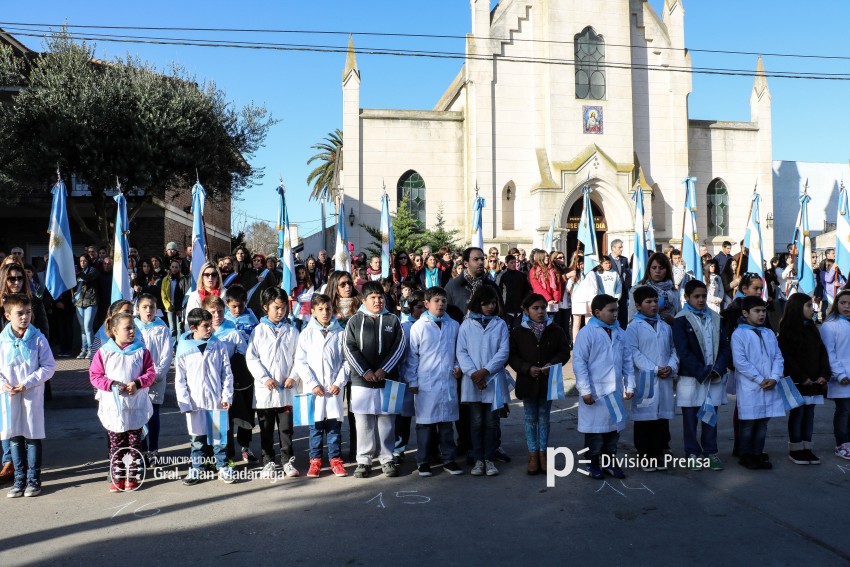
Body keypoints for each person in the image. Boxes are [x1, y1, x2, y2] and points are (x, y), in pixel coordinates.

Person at [342, 280, 406, 479]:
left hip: (390, 380)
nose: (378, 301)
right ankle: (364, 460)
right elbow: (349, 348)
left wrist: (384, 369)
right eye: (373, 297)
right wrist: (365, 371)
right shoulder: (354, 321)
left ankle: (387, 458)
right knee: (364, 422)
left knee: (388, 421)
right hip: (362, 382)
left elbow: (400, 347)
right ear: (363, 300)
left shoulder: (393, 320)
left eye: (380, 297)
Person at [89, 310, 156, 492]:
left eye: (133, 327)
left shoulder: (142, 351)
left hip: (135, 405)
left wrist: (137, 383)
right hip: (114, 407)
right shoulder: (104, 352)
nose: (132, 331)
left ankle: (132, 476)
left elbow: (150, 373)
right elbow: (95, 376)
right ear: (115, 331)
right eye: (128, 328)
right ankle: (117, 476)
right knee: (116, 443)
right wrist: (111, 385)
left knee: (134, 443)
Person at [672, 280, 732, 471]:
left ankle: (710, 452)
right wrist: (702, 371)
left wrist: (718, 369)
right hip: (691, 378)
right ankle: (692, 452)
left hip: (713, 376)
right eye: (696, 296)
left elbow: (724, 347)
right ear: (686, 297)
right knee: (690, 420)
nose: (700, 300)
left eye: (704, 296)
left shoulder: (716, 317)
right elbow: (683, 351)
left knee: (710, 418)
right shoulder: (681, 319)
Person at [0, 294, 55, 497]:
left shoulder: (38, 338)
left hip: (31, 396)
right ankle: (19, 479)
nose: (25, 317)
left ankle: (33, 480)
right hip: (9, 397)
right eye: (19, 313)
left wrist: (27, 383)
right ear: (7, 315)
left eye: (28, 312)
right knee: (14, 438)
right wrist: (3, 384)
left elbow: (49, 366)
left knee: (32, 438)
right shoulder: (2, 341)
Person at [509, 293, 571, 475]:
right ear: (526, 310)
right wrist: (527, 368)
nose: (540, 311)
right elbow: (512, 356)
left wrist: (552, 364)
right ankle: (532, 454)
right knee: (530, 418)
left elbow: (564, 352)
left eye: (543, 307)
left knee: (544, 417)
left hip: (547, 382)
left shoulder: (556, 330)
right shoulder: (518, 332)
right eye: (535, 308)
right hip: (527, 382)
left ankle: (543, 453)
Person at [573, 294, 633, 479]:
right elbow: (579, 363)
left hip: (614, 392)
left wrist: (630, 385)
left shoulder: (620, 333)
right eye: (611, 310)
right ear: (597, 312)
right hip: (595, 393)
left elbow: (627, 360)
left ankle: (609, 463)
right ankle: (592, 464)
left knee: (613, 432)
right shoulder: (587, 333)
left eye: (616, 310)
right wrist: (585, 390)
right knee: (595, 434)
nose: (615, 314)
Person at [407, 286, 464, 477]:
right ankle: (423, 461)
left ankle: (449, 459)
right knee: (425, 426)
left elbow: (458, 352)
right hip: (426, 383)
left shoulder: (453, 325)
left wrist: (457, 366)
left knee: (447, 425)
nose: (440, 304)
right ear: (426, 304)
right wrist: (412, 381)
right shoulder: (419, 327)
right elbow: (412, 356)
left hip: (447, 381)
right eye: (436, 301)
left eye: (443, 301)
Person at [246, 287, 301, 478]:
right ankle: (268, 462)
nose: (280, 311)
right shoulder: (258, 331)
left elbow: (299, 357)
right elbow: (251, 358)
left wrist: (293, 376)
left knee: (286, 429)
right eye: (276, 307)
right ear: (265, 307)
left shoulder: (292, 331)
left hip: (286, 388)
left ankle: (288, 461)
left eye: (283, 307)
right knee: (266, 429)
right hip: (266, 391)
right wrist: (264, 378)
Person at [175, 308, 235, 485]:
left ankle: (223, 467)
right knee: (197, 440)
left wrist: (227, 396)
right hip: (195, 403)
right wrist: (184, 402)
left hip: (216, 400)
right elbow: (180, 379)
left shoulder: (218, 345)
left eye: (210, 325)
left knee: (219, 438)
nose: (210, 329)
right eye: (205, 326)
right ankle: (197, 468)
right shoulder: (184, 348)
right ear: (193, 328)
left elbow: (227, 373)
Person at [457, 285, 510, 477]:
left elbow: (503, 352)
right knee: (476, 422)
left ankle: (489, 458)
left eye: (493, 303)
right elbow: (461, 351)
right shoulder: (467, 325)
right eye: (486, 303)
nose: (490, 307)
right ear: (478, 304)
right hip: (473, 381)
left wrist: (486, 371)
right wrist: (474, 374)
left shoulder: (500, 324)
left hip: (492, 379)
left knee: (491, 422)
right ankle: (478, 459)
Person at [296, 294, 349, 478]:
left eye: (328, 309)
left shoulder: (340, 333)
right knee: (316, 428)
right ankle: (315, 461)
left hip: (333, 389)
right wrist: (312, 384)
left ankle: (335, 460)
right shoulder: (306, 334)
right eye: (320, 309)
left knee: (334, 428)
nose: (325, 313)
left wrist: (339, 382)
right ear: (313, 312)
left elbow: (346, 361)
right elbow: (300, 362)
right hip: (316, 390)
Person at [627, 286, 678, 471]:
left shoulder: (665, 327)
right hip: (646, 379)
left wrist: (671, 366)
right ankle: (645, 456)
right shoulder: (633, 327)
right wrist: (655, 369)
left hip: (664, 378)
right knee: (644, 421)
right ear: (638, 306)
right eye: (648, 302)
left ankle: (657, 454)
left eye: (656, 301)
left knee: (660, 420)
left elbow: (673, 349)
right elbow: (633, 352)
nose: (654, 305)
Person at [731, 296, 784, 470]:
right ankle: (745, 454)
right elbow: (740, 362)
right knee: (748, 423)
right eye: (757, 311)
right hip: (751, 385)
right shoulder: (739, 334)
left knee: (762, 422)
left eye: (763, 311)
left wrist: (775, 377)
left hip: (770, 383)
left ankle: (757, 453)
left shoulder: (769, 333)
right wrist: (760, 379)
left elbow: (778, 357)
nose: (761, 314)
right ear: (745, 313)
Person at [778, 293, 829, 465]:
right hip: (799, 381)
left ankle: (807, 448)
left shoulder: (812, 328)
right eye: (808, 305)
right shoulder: (787, 331)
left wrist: (824, 374)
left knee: (809, 414)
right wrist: (802, 377)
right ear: (797, 307)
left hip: (814, 381)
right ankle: (796, 449)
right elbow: (787, 358)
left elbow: (822, 352)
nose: (812, 309)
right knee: (798, 413)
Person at [204, 295, 256, 464]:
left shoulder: (232, 331)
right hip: (211, 383)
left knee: (241, 415)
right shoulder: (201, 332)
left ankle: (245, 447)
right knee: (220, 420)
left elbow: (244, 353)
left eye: (220, 311)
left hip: (232, 381)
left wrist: (234, 370)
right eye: (212, 312)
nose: (217, 316)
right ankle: (225, 454)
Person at [135, 293, 173, 464]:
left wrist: (156, 375)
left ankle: (153, 450)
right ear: (138, 309)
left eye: (151, 307)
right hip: (137, 380)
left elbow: (166, 355)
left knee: (153, 415)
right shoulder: (133, 327)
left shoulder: (162, 328)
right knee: (139, 416)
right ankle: (141, 450)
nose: (148, 310)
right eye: (144, 307)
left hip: (156, 380)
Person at [394, 289, 425, 464]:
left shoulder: (431, 325)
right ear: (411, 308)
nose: (423, 310)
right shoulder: (404, 327)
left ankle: (428, 450)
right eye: (419, 307)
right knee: (403, 418)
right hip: (405, 378)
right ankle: (398, 449)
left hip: (427, 377)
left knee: (427, 418)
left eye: (424, 306)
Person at [820, 289, 850, 460]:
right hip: (842, 376)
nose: (847, 306)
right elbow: (829, 352)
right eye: (843, 303)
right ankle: (842, 443)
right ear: (836, 304)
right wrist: (839, 374)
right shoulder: (829, 326)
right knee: (844, 410)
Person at [629, 252, 679, 325]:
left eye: (661, 268)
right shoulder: (637, 290)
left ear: (667, 270)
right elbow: (632, 318)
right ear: (649, 269)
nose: (657, 271)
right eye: (654, 268)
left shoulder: (674, 292)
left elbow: (679, 318)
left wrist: (672, 320)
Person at [496, 254, 532, 332]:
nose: (513, 264)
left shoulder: (521, 275)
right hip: (506, 308)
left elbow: (527, 290)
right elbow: (498, 291)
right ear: (506, 264)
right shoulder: (502, 275)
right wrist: (500, 306)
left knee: (517, 330)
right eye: (511, 262)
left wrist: (524, 303)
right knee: (506, 330)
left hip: (518, 308)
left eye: (515, 262)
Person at [161, 258, 190, 339]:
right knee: (172, 328)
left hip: (180, 307)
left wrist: (180, 308)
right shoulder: (166, 279)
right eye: (173, 267)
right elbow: (163, 294)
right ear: (170, 267)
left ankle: (180, 343)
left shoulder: (183, 279)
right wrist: (168, 306)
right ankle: (173, 344)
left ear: (179, 268)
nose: (174, 269)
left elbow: (184, 294)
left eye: (176, 267)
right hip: (169, 307)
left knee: (180, 327)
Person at [608, 239, 631, 328]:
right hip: (612, 292)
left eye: (622, 247)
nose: (621, 249)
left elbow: (627, 274)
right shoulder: (607, 260)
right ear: (613, 248)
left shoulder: (624, 260)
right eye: (619, 247)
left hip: (623, 292)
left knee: (623, 315)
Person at [291, 265, 315, 331]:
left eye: (302, 273)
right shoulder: (293, 284)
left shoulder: (309, 284)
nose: (301, 275)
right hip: (295, 310)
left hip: (305, 311)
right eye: (299, 273)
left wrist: (297, 298)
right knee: (295, 330)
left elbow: (309, 296)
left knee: (304, 331)